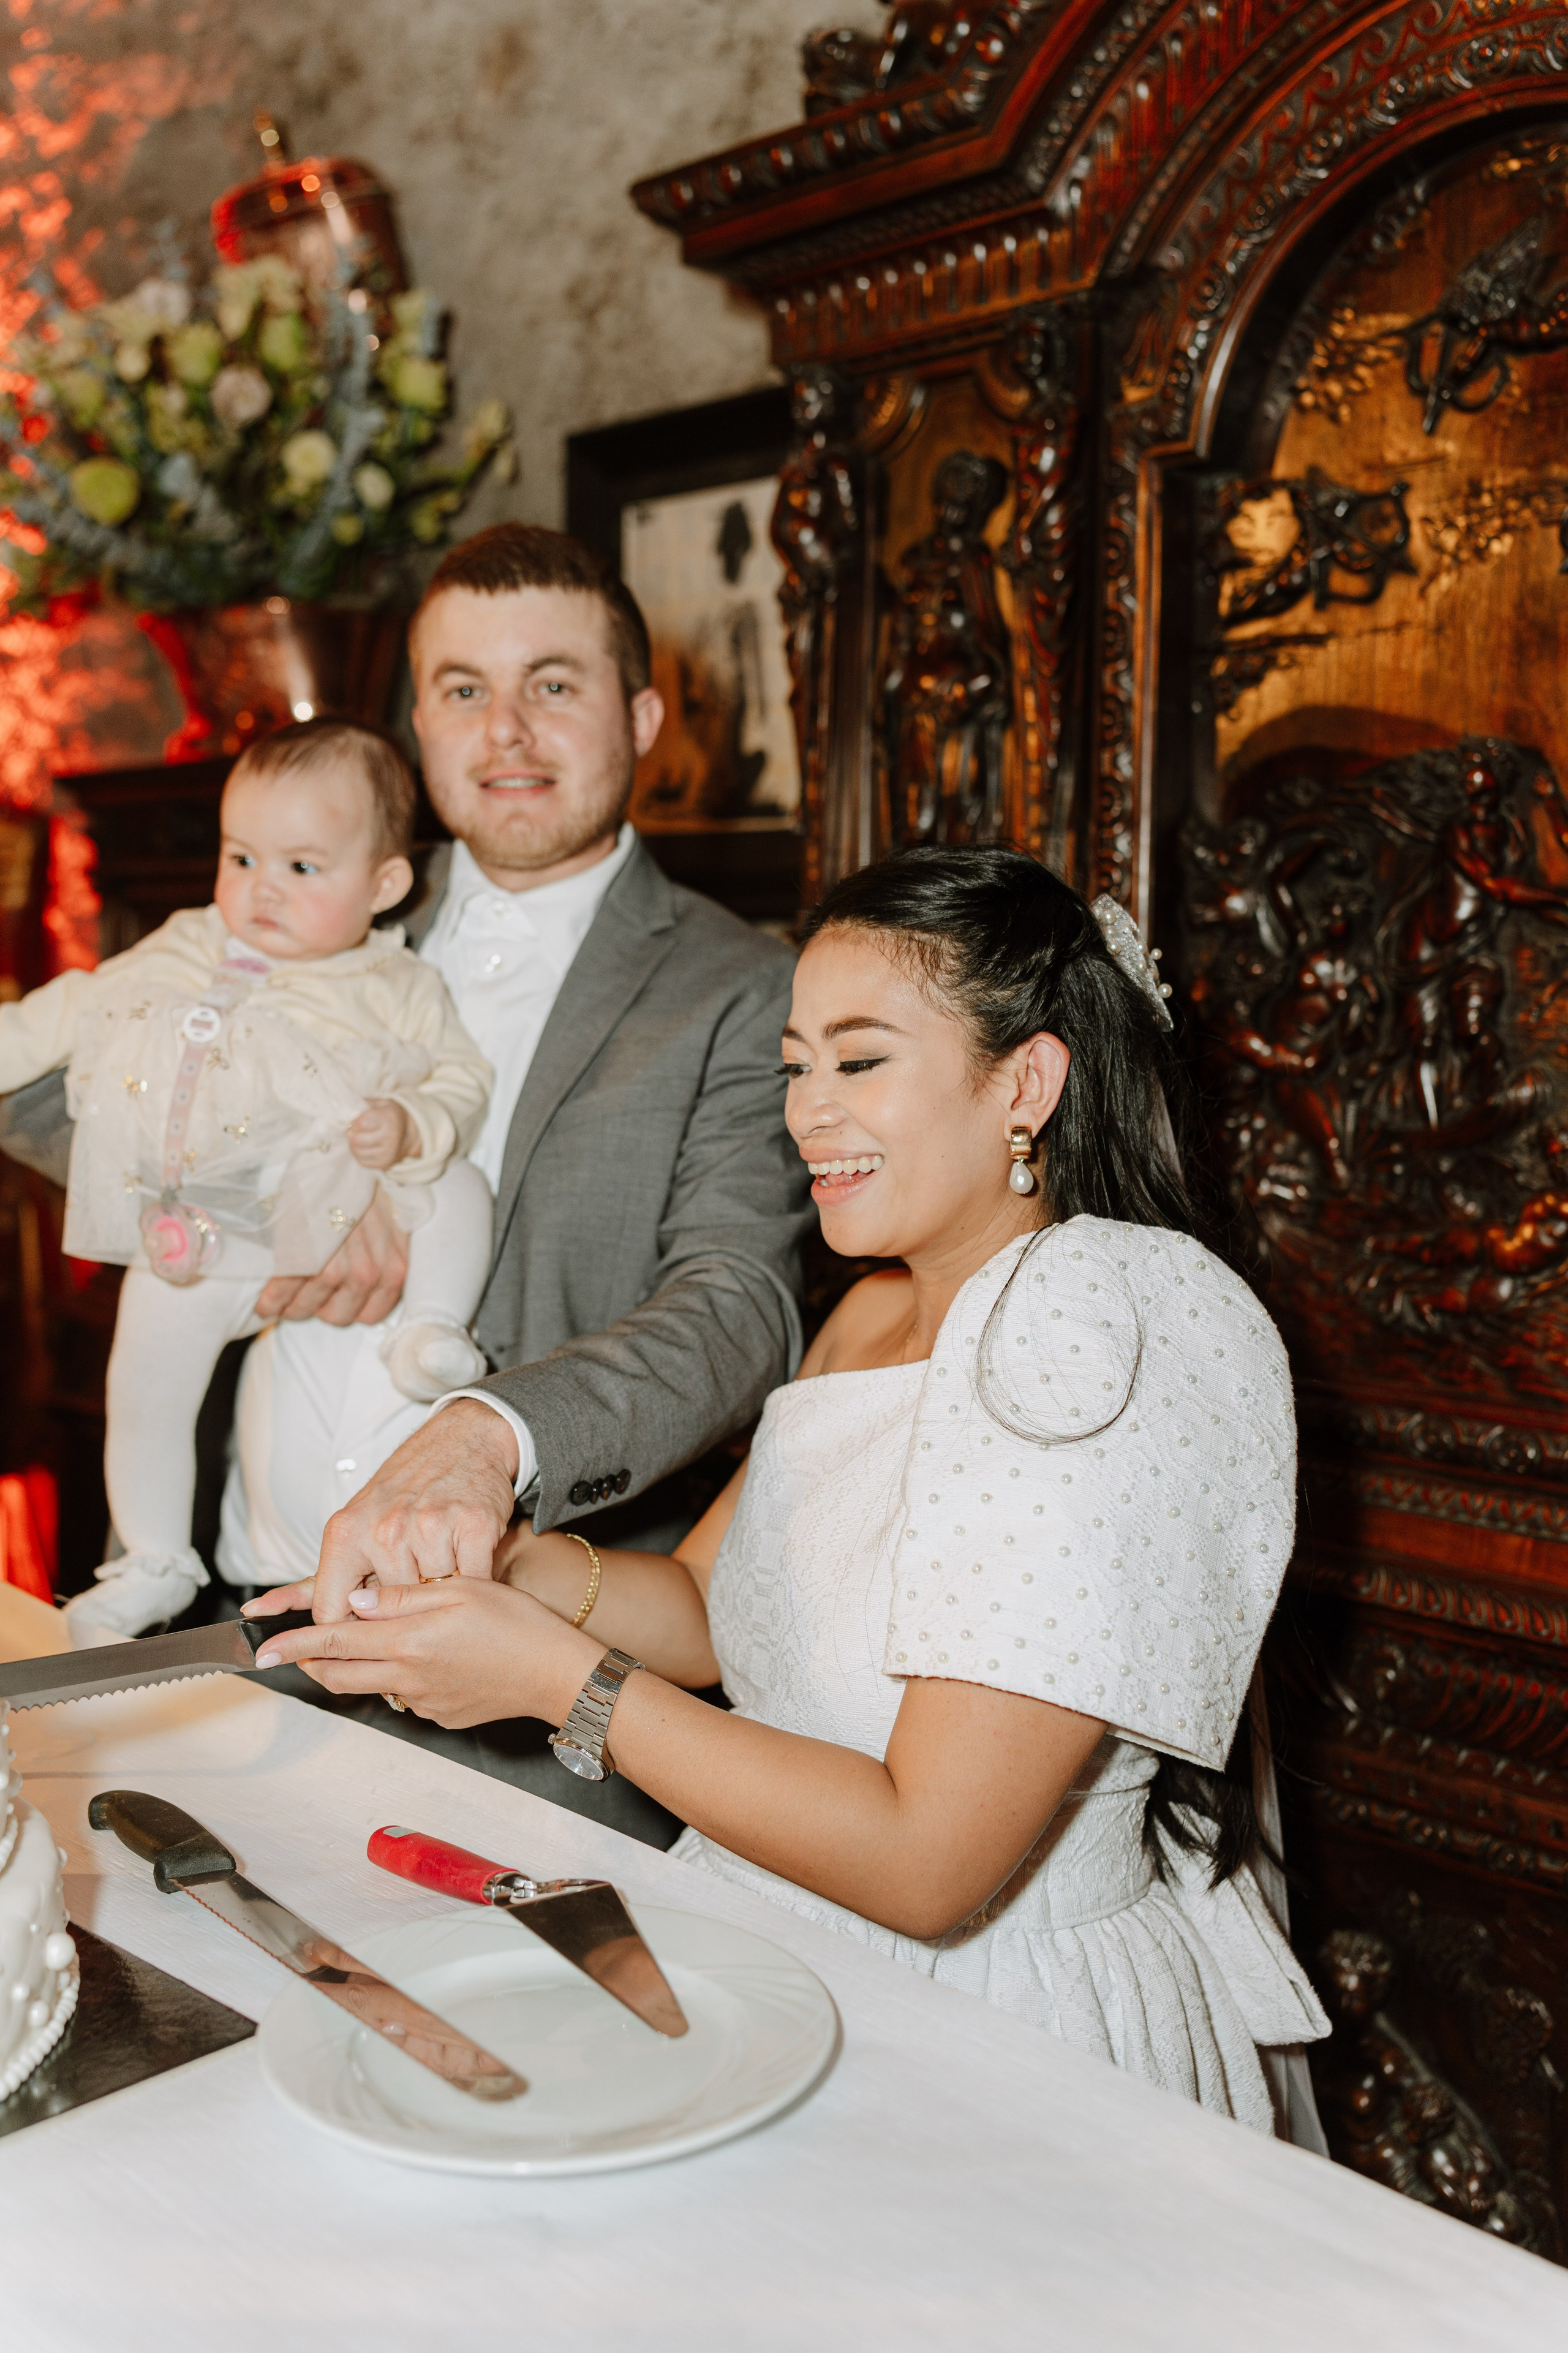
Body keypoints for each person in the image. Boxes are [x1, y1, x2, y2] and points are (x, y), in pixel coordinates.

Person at [246, 845, 1332, 2135]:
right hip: (763, 1949)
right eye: (795, 1066)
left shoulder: (1103, 1323)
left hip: (996, 2031)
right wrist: (494, 1574)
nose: (806, 1112)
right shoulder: (871, 1314)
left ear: (1025, 1082)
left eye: (860, 1061)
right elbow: (712, 1605)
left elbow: (929, 1864)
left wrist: (554, 1681)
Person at [0, 719, 492, 1640]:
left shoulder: (399, 984)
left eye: (302, 868)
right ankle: (150, 1557)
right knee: (143, 1375)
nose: (261, 890)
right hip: (214, 1221)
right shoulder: (193, 942)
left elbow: (459, 1078)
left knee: (459, 1187)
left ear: (385, 885)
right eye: (241, 857)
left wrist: (415, 1122)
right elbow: (80, 1003)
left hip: (341, 1193)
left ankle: (430, 1326)